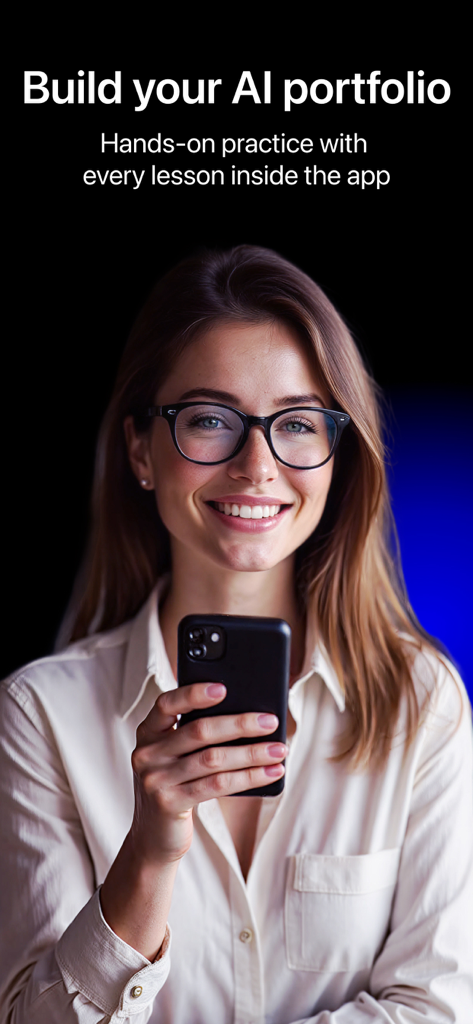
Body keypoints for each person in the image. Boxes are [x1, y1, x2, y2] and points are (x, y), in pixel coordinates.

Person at [0, 245, 472, 1023]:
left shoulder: (419, 701)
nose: (257, 466)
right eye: (211, 420)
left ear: (334, 454)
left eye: (296, 424)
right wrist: (149, 854)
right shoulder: (42, 713)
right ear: (141, 450)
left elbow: (436, 1008)